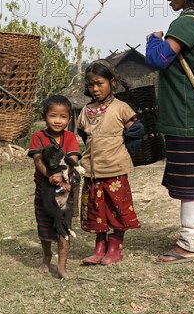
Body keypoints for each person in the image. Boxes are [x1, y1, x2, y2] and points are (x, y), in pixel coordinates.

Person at [145, 0, 194, 264]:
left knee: (190, 180)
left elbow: (158, 59)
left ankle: (189, 243)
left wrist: (153, 38)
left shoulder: (185, 23)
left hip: (185, 116)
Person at [77, 60, 141, 266]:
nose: (94, 89)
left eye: (99, 83)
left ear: (112, 83)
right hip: (92, 171)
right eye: (90, 84)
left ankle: (115, 248)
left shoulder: (121, 108)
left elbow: (136, 130)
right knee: (96, 210)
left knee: (116, 208)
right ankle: (100, 247)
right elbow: (83, 136)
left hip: (115, 169)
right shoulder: (85, 111)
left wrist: (124, 148)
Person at [27, 95, 82, 279]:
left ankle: (62, 266)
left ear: (69, 119)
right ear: (44, 116)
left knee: (64, 227)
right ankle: (47, 255)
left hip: (65, 192)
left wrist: (64, 170)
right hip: (45, 192)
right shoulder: (38, 137)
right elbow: (37, 160)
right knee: (44, 226)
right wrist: (50, 175)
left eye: (63, 117)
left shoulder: (70, 137)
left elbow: (73, 159)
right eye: (53, 115)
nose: (58, 120)